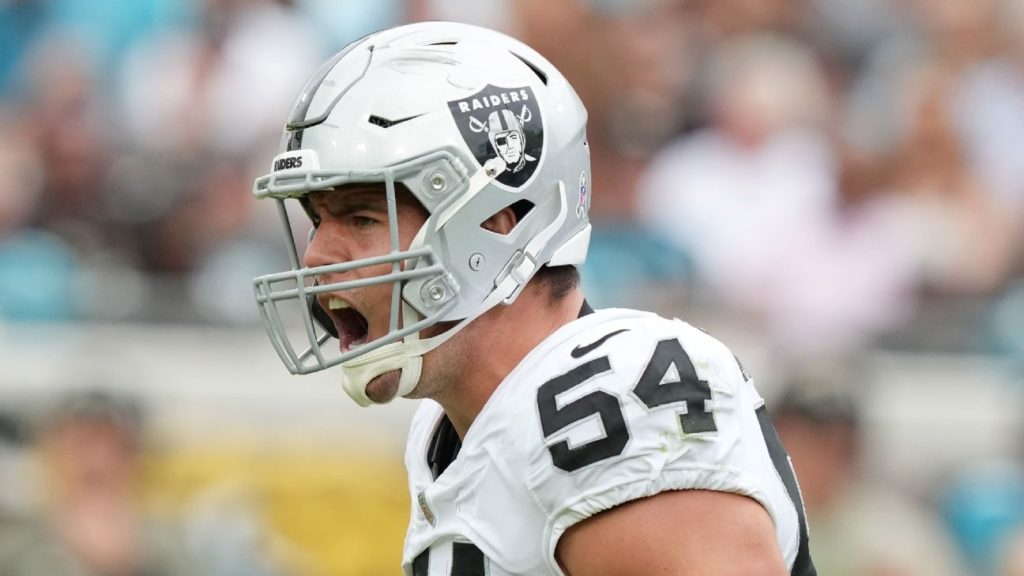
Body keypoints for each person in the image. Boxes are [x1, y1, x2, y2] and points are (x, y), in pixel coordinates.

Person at [250, 21, 816, 576]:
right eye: (318, 220)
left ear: (495, 226)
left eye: (362, 218)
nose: (316, 257)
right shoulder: (451, 430)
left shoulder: (614, 393)